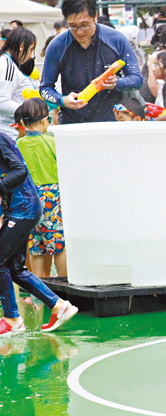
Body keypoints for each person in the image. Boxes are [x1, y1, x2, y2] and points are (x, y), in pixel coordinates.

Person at [1, 102, 78, 337]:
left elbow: (19, 171)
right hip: (24, 207)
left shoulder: (3, 140)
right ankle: (60, 305)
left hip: (24, 207)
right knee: (15, 267)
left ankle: (13, 318)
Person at [40, 0, 142, 124]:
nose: (80, 31)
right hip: (72, 122)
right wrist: (62, 100)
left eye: (85, 25)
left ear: (95, 17)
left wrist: (117, 83)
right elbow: (45, 89)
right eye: (73, 26)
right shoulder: (57, 46)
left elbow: (137, 80)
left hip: (110, 121)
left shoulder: (117, 40)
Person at [15, 99, 66, 280]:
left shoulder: (18, 144)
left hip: (28, 197)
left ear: (23, 123)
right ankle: (63, 282)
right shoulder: (52, 141)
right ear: (45, 120)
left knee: (35, 244)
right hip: (51, 196)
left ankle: (36, 286)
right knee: (58, 243)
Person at [0, 28, 38, 139]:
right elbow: (2, 102)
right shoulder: (8, 67)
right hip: (9, 134)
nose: (31, 56)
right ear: (22, 46)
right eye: (31, 50)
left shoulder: (6, 63)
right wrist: (33, 111)